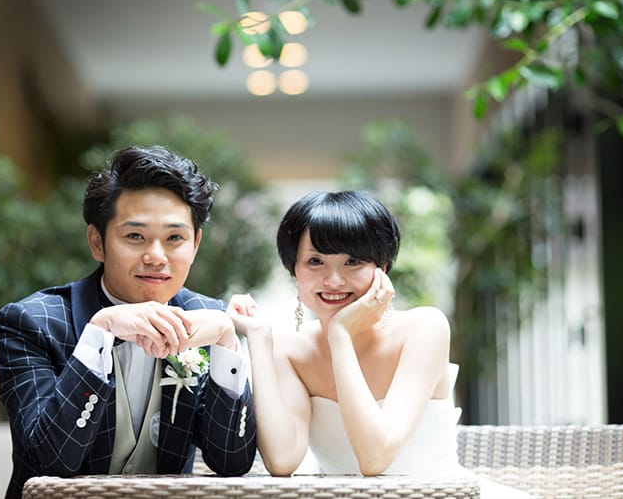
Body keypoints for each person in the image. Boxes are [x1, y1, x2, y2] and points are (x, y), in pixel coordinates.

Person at [227, 190, 530, 498]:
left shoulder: (424, 328)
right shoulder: (291, 349)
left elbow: (375, 458)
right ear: (295, 270)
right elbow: (281, 460)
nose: (334, 279)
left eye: (353, 261)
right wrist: (258, 338)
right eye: (315, 261)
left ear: (382, 268)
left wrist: (340, 336)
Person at [0, 145, 256, 499]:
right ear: (97, 242)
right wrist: (100, 331)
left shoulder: (208, 319)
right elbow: (47, 461)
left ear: (195, 244)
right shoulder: (32, 322)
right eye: (135, 236)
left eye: (175, 238)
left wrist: (226, 340)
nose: (156, 257)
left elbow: (232, 461)